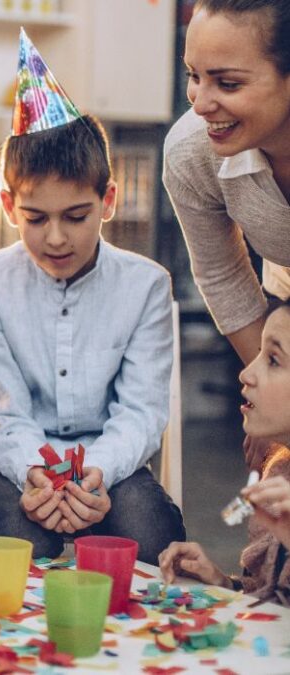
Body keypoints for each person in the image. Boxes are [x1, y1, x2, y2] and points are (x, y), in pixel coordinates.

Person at [0, 32, 185, 563]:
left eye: (76, 217)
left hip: (106, 459)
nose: (56, 238)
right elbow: (0, 418)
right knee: (25, 542)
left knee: (151, 535)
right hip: (0, 458)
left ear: (108, 200)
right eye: (35, 218)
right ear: (8, 205)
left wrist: (94, 473)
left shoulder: (145, 286)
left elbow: (141, 412)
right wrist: (39, 472)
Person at [164, 0, 290, 472]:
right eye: (194, 75)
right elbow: (221, 274)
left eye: (228, 83)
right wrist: (275, 405)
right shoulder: (193, 153)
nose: (200, 101)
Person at [160, 302, 290, 605]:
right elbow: (274, 607)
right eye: (257, 353)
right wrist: (223, 584)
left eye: (273, 359)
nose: (246, 373)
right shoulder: (278, 470)